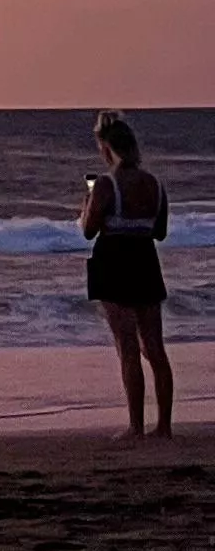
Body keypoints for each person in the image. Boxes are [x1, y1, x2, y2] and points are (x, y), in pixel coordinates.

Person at [79, 112, 173, 439]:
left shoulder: (106, 185)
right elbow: (159, 232)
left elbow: (89, 230)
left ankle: (135, 426)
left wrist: (87, 202)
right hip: (145, 260)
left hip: (114, 262)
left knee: (127, 346)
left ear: (106, 149)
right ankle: (164, 425)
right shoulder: (155, 185)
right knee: (155, 349)